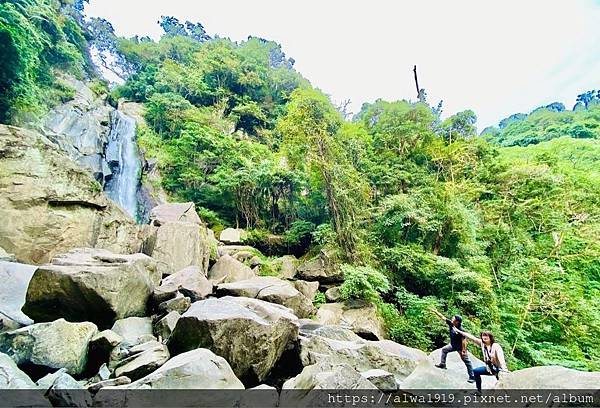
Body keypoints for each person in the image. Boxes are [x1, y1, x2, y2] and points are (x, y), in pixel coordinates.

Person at [453, 328, 509, 392]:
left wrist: (504, 369)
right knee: (476, 371)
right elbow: (471, 337)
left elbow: (501, 357)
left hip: (498, 369)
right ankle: (479, 391)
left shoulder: (496, 346)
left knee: (502, 383)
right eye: (483, 335)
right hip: (489, 368)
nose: (484, 337)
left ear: (490, 337)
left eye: (486, 336)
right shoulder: (482, 344)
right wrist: (459, 331)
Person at [430, 308, 475, 383]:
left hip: (460, 347)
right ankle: (443, 364)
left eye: (453, 318)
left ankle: (472, 377)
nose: (452, 318)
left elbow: (464, 340)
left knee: (467, 361)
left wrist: (464, 350)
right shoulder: (451, 324)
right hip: (453, 345)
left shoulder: (461, 330)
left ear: (457, 321)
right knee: (444, 350)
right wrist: (436, 311)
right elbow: (443, 317)